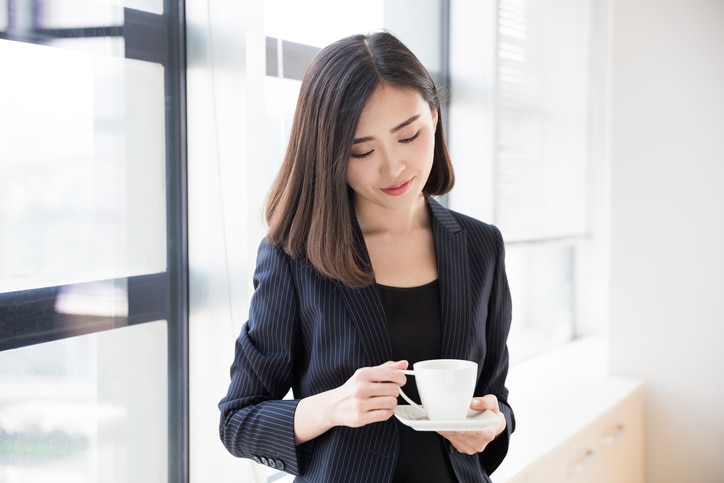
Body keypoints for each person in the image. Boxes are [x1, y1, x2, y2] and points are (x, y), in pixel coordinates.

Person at [219, 31, 515, 483]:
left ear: (434, 118)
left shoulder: (481, 247)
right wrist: (333, 406)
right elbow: (238, 421)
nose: (393, 167)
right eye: (362, 150)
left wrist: (493, 423)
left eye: (409, 135)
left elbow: (495, 398)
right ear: (330, 154)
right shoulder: (294, 255)